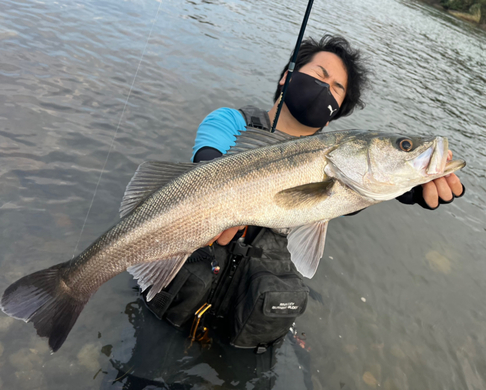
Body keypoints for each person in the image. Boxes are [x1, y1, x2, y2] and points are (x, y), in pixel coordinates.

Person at [143, 34, 464, 350]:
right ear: (287, 76)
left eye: (337, 88)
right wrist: (223, 202)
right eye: (320, 75)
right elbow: (206, 165)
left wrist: (403, 188)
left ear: (336, 111)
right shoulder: (231, 121)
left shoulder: (345, 162)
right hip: (179, 294)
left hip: (245, 326)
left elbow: (343, 195)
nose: (326, 87)